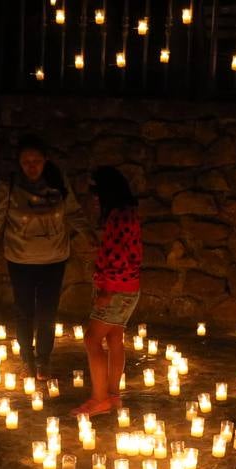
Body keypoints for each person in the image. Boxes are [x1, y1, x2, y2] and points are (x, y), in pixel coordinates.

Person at [0, 135, 92, 381]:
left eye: (36, 160)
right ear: (19, 163)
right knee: (24, 312)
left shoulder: (58, 181)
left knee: (47, 312)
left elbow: (73, 212)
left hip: (53, 260)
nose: (31, 166)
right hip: (21, 260)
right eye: (26, 161)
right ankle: (27, 359)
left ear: (45, 160)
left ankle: (43, 360)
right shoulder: (10, 185)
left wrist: (90, 235)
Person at [71, 166, 141, 417]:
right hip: (128, 288)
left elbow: (120, 258)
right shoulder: (126, 214)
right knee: (114, 338)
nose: (95, 198)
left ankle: (100, 399)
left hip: (116, 289)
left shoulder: (119, 217)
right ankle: (112, 394)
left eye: (97, 193)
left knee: (92, 339)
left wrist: (106, 290)